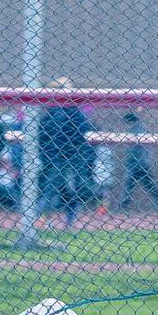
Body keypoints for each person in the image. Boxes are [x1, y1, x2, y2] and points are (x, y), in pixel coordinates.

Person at [37, 77, 96, 228]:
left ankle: (69, 219)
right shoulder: (52, 113)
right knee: (54, 188)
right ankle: (37, 218)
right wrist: (48, 155)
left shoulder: (73, 111)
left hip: (73, 156)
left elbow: (82, 134)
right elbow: (44, 135)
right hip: (58, 156)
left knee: (72, 188)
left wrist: (83, 156)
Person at [119, 110, 158, 211]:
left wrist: (131, 161)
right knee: (139, 186)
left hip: (139, 163)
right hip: (139, 163)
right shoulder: (136, 128)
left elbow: (136, 149)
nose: (125, 125)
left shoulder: (137, 128)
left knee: (132, 186)